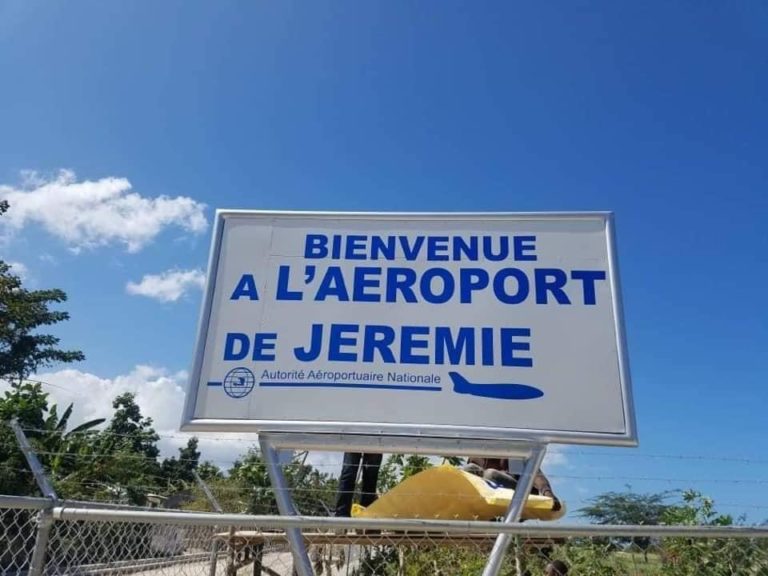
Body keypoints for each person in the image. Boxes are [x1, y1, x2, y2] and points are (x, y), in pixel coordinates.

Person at [463, 456, 561, 511]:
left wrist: (547, 492)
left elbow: (534, 473)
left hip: (516, 493)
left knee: (490, 474)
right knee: (468, 469)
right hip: (487, 494)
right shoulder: (478, 452)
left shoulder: (512, 448)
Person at [334, 452, 383, 517]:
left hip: (375, 444)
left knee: (370, 477)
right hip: (354, 443)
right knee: (348, 475)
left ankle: (366, 514)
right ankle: (341, 515)